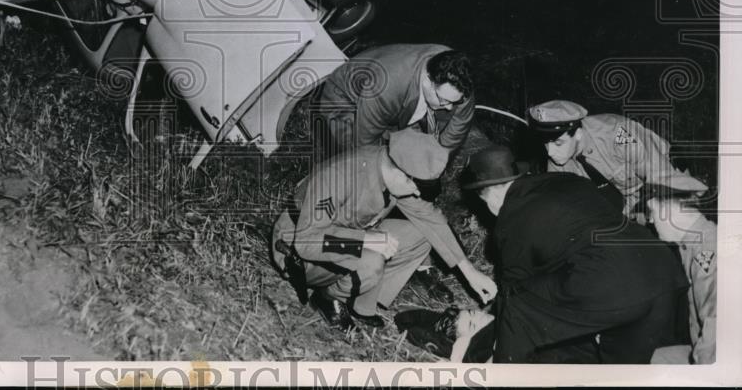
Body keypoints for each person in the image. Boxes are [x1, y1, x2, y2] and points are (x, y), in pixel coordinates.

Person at [464, 146, 687, 363]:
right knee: (626, 369)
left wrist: (498, 336)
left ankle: (502, 378)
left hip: (608, 282)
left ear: (490, 195)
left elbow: (515, 289)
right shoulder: (568, 179)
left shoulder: (510, 218)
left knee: (516, 308)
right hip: (662, 267)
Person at [271, 128, 496, 330]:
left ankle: (360, 298)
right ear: (399, 171)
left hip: (341, 236)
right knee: (372, 259)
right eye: (415, 186)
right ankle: (328, 297)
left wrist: (469, 271)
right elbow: (306, 242)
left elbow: (431, 219)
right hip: (296, 247)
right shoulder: (340, 176)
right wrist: (366, 240)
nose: (417, 194)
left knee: (420, 235)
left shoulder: (391, 171)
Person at [528, 99, 706, 216]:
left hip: (668, 180)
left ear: (579, 134)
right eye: (546, 144)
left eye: (558, 143)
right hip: (629, 199)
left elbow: (662, 177)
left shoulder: (617, 134)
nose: (550, 152)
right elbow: (566, 204)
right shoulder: (558, 161)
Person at [311, 44, 475, 158]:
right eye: (444, 101)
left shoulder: (458, 76)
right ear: (427, 80)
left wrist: (437, 160)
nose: (448, 108)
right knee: (353, 158)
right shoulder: (384, 87)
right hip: (346, 99)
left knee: (407, 149)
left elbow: (459, 125)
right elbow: (365, 144)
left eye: (454, 102)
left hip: (392, 97)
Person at [641, 184, 717, 365]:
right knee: (643, 360)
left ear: (669, 210)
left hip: (716, 357)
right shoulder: (694, 243)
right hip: (699, 344)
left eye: (651, 212)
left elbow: (720, 328)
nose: (650, 221)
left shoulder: (707, 250)